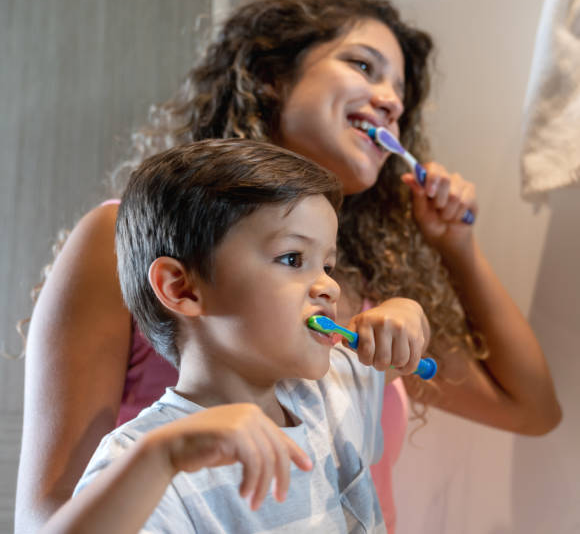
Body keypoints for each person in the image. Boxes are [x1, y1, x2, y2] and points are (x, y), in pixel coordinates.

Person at [16, 0, 561, 534]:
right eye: (364, 66)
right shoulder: (128, 238)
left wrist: (454, 249)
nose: (393, 101)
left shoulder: (354, 298)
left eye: (400, 92)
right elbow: (50, 515)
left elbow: (529, 408)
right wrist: (162, 456)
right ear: (268, 77)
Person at [42, 138, 431, 533]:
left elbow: (401, 348)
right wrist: (160, 459)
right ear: (181, 288)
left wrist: (407, 312)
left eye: (327, 265)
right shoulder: (145, 465)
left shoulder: (331, 394)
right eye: (293, 259)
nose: (329, 287)